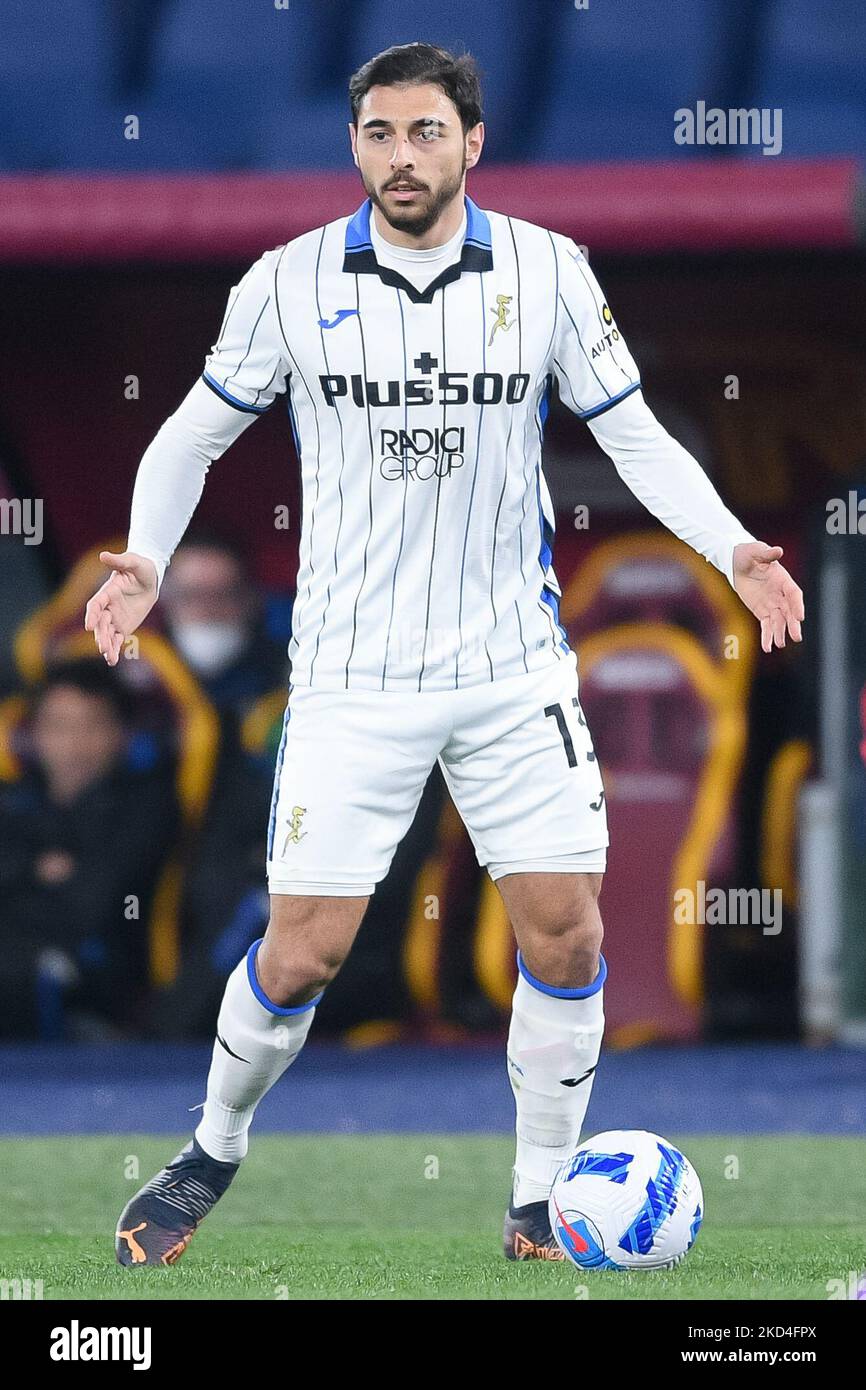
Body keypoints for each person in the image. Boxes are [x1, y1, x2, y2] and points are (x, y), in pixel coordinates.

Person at [84, 43, 804, 1267]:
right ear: (354, 146)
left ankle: (533, 1202)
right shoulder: (286, 282)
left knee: (565, 936)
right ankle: (210, 1148)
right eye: (376, 133)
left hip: (512, 671)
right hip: (351, 681)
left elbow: (631, 438)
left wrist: (734, 546)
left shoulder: (550, 271)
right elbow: (187, 436)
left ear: (472, 141)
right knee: (301, 952)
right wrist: (147, 558)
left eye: (424, 133)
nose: (399, 157)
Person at [0, 660, 176, 1038]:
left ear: (123, 734)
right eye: (59, 727)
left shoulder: (146, 805)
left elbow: (99, 904)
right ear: (34, 735)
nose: (75, 745)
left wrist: (22, 877)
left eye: (93, 726)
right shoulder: (12, 801)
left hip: (104, 1010)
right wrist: (34, 867)